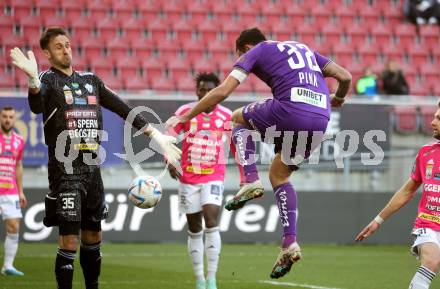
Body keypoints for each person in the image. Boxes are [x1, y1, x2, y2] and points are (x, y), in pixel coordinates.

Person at [167, 27, 352, 279]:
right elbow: (345, 76)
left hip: (290, 109)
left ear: (245, 48)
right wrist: (338, 98)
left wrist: (185, 116)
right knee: (279, 175)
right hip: (320, 120)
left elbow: (222, 92)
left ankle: (250, 179)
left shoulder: (258, 50)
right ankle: (289, 242)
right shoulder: (304, 48)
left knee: (234, 121)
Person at [10, 27, 180, 289]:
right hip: (65, 172)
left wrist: (156, 136)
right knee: (69, 240)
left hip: (93, 170)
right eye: (58, 46)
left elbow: (123, 108)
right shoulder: (47, 80)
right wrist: (33, 81)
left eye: (67, 44)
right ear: (47, 53)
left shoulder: (91, 80)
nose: (66, 49)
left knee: (93, 236)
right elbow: (36, 107)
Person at [356, 102, 440, 289]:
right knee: (431, 261)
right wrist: (378, 220)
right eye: (434, 116)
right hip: (429, 223)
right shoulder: (426, 152)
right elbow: (407, 190)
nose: (433, 122)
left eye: (439, 118)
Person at [168, 73, 232, 289]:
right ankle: (200, 279)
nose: (205, 94)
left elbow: (238, 145)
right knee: (194, 228)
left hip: (214, 175)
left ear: (218, 93)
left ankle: (212, 279)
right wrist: (169, 158)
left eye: (210, 90)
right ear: (197, 91)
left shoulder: (227, 116)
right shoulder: (185, 112)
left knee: (211, 220)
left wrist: (246, 177)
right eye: (202, 90)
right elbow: (168, 135)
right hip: (188, 177)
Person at [0, 106, 26, 276]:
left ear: (14, 119)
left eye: (10, 116)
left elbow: (18, 166)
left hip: (10, 191)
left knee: (14, 226)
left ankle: (7, 266)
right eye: (4, 116)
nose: (7, 119)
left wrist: (21, 191)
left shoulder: (19, 141)